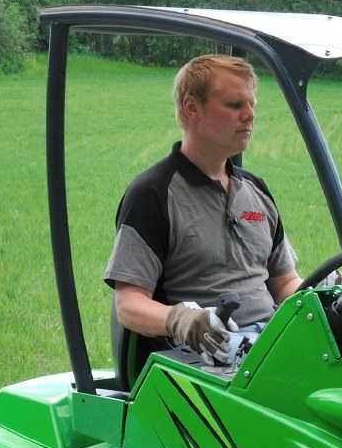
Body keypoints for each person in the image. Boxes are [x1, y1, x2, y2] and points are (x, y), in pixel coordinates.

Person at [105, 54, 300, 378]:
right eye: (235, 105)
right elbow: (128, 305)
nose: (249, 116)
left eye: (251, 104)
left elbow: (285, 282)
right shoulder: (153, 193)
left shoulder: (255, 191)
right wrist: (182, 321)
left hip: (266, 350)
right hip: (200, 364)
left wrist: (325, 299)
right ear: (191, 108)